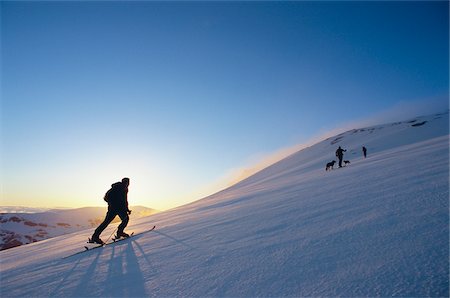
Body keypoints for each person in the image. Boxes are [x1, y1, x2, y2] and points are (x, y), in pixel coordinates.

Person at [91, 178, 132, 244]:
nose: (127, 184)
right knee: (122, 220)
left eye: (127, 182)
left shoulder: (125, 189)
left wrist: (127, 209)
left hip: (117, 209)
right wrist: (114, 204)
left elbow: (124, 200)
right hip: (115, 209)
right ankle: (119, 232)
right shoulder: (117, 187)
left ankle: (95, 236)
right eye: (126, 182)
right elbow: (106, 197)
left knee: (123, 220)